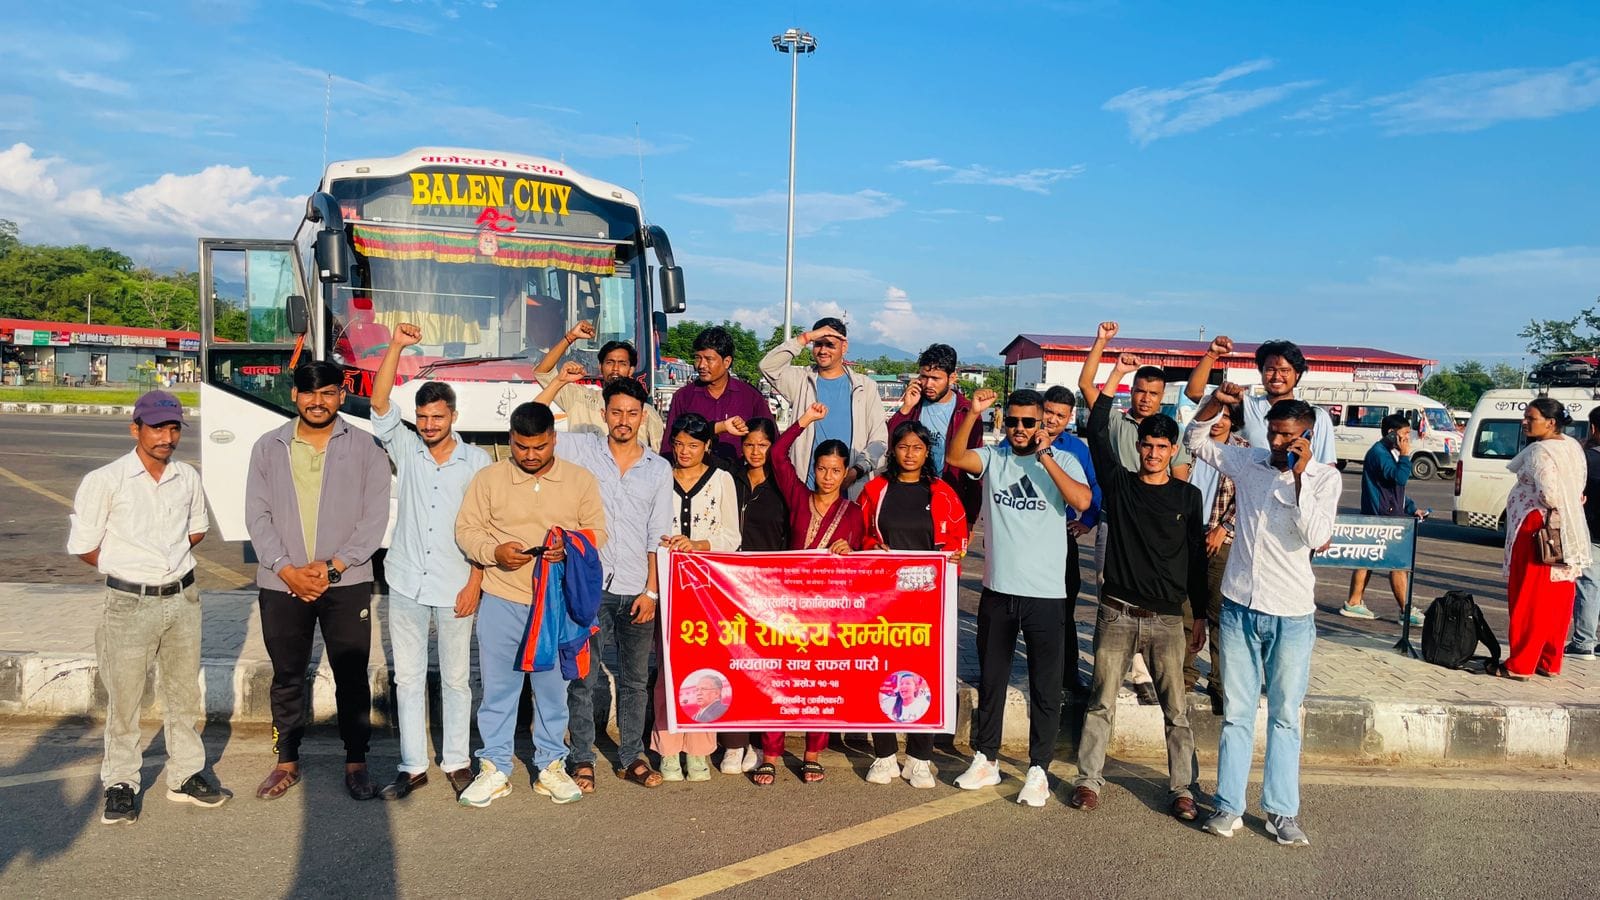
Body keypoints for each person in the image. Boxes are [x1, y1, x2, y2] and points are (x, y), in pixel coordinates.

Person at [1185, 383, 1341, 846]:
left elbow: (1316, 536)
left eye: (1287, 436)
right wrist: (1215, 403)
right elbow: (1195, 440)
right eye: (1273, 433)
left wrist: (1299, 477)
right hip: (1239, 606)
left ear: (1307, 436)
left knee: (1285, 716)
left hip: (1291, 614)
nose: (1276, 442)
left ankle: (1281, 812)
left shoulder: (1325, 479)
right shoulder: (1248, 461)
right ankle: (1228, 806)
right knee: (1237, 713)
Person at [67, 391, 226, 825]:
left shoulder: (186, 476)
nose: (166, 437)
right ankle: (121, 783)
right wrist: (128, 567)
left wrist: (167, 562)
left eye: (173, 428)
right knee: (125, 699)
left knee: (183, 694)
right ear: (135, 428)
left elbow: (196, 530)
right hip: (127, 604)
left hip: (182, 599)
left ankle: (185, 774)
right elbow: (84, 545)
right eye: (156, 428)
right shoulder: (106, 480)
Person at [1069, 353, 1207, 821]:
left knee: (1177, 711)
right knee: (1100, 703)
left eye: (1161, 447)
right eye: (1147, 445)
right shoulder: (1120, 485)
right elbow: (1097, 429)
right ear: (1140, 446)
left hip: (1167, 619)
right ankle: (1088, 781)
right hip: (1117, 612)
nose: (1152, 453)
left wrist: (1199, 615)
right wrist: (1116, 376)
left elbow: (1196, 560)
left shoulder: (1189, 496)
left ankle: (1183, 788)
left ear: (1174, 450)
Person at [246, 362, 391, 802]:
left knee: (351, 675)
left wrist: (334, 567)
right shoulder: (268, 446)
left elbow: (375, 518)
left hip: (346, 581)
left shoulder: (367, 447)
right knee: (287, 675)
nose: (318, 402)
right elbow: (257, 515)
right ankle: (286, 761)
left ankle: (356, 762)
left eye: (328, 393)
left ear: (341, 396)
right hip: (282, 582)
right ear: (294, 395)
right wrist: (286, 569)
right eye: (309, 393)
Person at [455, 401, 608, 807]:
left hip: (556, 606)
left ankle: (551, 766)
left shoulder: (579, 480)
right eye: (521, 446)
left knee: (553, 692)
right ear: (510, 440)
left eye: (539, 446)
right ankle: (495, 768)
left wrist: (568, 547)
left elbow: (597, 532)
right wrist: (494, 552)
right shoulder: (489, 479)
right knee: (498, 691)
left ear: (553, 439)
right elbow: (467, 530)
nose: (530, 455)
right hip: (502, 599)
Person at [945, 388, 1093, 807]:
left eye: (1029, 422)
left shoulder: (1062, 459)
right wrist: (973, 413)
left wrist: (1045, 457)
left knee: (1045, 686)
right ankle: (986, 758)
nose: (1020, 429)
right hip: (998, 589)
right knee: (992, 680)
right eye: (1012, 421)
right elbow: (956, 457)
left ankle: (1038, 769)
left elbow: (1082, 501)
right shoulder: (995, 458)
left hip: (1046, 594)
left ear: (1043, 422)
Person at [369, 324, 492, 802]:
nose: (428, 424)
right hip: (405, 582)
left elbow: (487, 527)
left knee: (457, 679)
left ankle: (457, 760)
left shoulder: (477, 463)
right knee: (407, 678)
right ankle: (412, 765)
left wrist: (475, 582)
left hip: (456, 584)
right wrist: (397, 346)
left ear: (453, 416)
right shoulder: (406, 448)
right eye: (422, 416)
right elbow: (380, 403)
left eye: (437, 416)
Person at [553, 378, 674, 793]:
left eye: (632, 413)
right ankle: (581, 758)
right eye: (617, 412)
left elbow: (658, 535)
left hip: (637, 587)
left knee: (635, 680)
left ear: (643, 417)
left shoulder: (658, 469)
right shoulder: (582, 450)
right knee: (583, 678)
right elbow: (532, 423)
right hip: (590, 588)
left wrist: (652, 592)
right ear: (603, 413)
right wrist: (558, 381)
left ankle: (631, 757)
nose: (624, 420)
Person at [751, 402, 868, 785]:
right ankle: (770, 753)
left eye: (836, 470)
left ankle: (812, 753)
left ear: (846, 473)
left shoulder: (853, 513)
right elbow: (778, 454)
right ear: (813, 469)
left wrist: (852, 551)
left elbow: (865, 557)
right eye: (822, 469)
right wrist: (806, 421)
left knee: (820, 680)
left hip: (828, 612)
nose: (828, 477)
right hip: (787, 606)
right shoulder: (798, 497)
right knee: (779, 679)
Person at [1078, 322, 1192, 705]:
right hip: (1115, 521)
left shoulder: (1170, 432)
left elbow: (1181, 480)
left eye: (1153, 393)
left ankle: (1144, 672)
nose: (1145, 398)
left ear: (1162, 396)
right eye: (1140, 390)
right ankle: (1122, 667)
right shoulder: (1115, 420)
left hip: (1156, 527)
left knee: (1151, 597)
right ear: (1133, 390)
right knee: (1110, 593)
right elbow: (1086, 385)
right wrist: (1103, 344)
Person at [858, 420, 970, 788]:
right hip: (884, 600)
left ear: (927, 453)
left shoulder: (942, 492)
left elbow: (959, 537)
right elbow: (861, 535)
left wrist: (954, 555)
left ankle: (920, 757)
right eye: (903, 447)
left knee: (926, 673)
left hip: (927, 600)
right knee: (882, 671)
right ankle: (884, 754)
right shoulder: (875, 490)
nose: (910, 454)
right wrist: (873, 548)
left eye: (917, 448)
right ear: (893, 451)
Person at [653, 413, 742, 781]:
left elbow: (732, 537)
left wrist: (699, 544)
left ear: (707, 445)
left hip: (707, 588)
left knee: (705, 667)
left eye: (693, 445)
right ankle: (668, 747)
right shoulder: (659, 475)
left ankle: (700, 748)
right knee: (667, 668)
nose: (684, 451)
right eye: (679, 444)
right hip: (667, 583)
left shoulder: (722, 480)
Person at [1502, 398, 1591, 679]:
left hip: (1537, 530)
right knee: (1558, 596)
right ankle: (1549, 661)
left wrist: (1562, 500)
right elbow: (1577, 484)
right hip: (1565, 528)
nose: (1525, 422)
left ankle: (1521, 664)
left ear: (1551, 423)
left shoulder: (1540, 451)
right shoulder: (1572, 445)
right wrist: (1572, 501)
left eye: (1531, 418)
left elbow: (1550, 495)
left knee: (1529, 596)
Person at [720, 417, 789, 774]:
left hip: (769, 589)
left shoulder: (783, 486)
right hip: (729, 586)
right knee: (733, 664)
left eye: (763, 445)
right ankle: (735, 742)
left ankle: (763, 744)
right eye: (749, 444)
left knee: (764, 669)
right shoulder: (728, 479)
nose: (756, 451)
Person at [759, 317, 888, 494]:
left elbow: (879, 440)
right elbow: (767, 366)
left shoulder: (865, 387)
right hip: (805, 490)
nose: (823, 350)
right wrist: (805, 338)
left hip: (850, 490)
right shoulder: (801, 381)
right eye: (818, 344)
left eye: (830, 345)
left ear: (844, 347)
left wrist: (856, 471)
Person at [1184, 399, 1248, 715]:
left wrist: (1225, 527)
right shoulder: (1190, 447)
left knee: (1220, 614)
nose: (1219, 421)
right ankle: (1184, 675)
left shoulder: (1243, 452)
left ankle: (1220, 682)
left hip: (1220, 541)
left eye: (1226, 416)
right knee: (1184, 611)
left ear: (1234, 420)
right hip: (1186, 537)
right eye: (1214, 415)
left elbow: (1249, 496)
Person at [1184, 335, 1336, 464]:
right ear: (1261, 372)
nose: (1277, 377)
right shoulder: (1244, 405)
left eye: (1284, 370)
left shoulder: (1315, 416)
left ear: (1297, 374)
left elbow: (1326, 466)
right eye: (1270, 370)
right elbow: (1193, 392)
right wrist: (1212, 354)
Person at [1040, 385, 1101, 695]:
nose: (1052, 419)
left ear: (1069, 417)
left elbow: (1095, 487)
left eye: (1060, 415)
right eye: (1048, 412)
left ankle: (1068, 673)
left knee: (1064, 609)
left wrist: (1087, 521)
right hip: (1023, 539)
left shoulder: (1077, 449)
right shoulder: (1018, 439)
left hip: (1062, 537)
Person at [1341, 413, 1430, 626]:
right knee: (1397, 563)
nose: (1408, 438)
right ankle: (1406, 610)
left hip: (1383, 514)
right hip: (1383, 518)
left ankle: (1354, 601)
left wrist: (1411, 508)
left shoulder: (1387, 452)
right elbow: (1399, 478)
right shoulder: (1380, 453)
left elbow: (1393, 490)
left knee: (1367, 559)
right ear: (1392, 434)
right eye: (1405, 433)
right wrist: (1406, 456)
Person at [888, 343, 982, 525]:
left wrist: (970, 518)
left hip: (950, 498)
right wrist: (906, 408)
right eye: (924, 377)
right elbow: (890, 443)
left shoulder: (967, 412)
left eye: (935, 378)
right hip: (911, 496)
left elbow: (974, 467)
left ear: (952, 378)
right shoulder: (914, 406)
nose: (928, 384)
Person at [534, 320, 665, 448]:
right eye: (609, 362)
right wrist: (570, 337)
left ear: (631, 370)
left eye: (622, 364)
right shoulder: (579, 397)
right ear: (600, 367)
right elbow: (543, 372)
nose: (615, 369)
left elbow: (660, 455)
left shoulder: (646, 412)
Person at [663, 325, 775, 463]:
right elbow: (669, 444)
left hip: (737, 474)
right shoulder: (683, 397)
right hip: (694, 474)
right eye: (698, 358)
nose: (701, 365)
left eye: (709, 359)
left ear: (727, 362)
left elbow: (771, 439)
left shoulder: (750, 397)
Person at [1566, 406, 1600, 660]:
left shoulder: (1586, 458)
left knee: (1589, 584)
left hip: (1591, 529)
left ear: (1594, 428)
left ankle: (1584, 642)